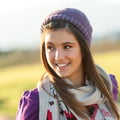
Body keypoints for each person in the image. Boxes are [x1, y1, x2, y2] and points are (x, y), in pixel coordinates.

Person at [16, 8, 120, 120]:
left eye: (67, 47)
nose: (58, 57)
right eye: (50, 47)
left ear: (84, 49)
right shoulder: (36, 102)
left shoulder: (106, 86)